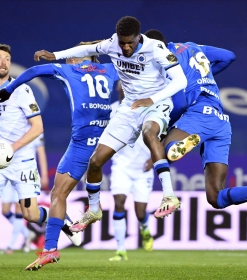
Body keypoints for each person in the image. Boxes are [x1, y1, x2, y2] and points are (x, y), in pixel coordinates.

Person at [30, 16, 187, 234]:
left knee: (149, 133)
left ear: (138, 37)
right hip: (129, 109)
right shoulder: (113, 43)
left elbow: (181, 81)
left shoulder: (157, 48)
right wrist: (54, 55)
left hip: (156, 103)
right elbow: (86, 49)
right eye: (122, 43)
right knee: (95, 162)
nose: (125, 47)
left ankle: (169, 195)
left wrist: (151, 100)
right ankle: (94, 209)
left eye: (130, 42)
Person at [0, 43, 120, 270]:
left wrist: (9, 89)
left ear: (79, 59)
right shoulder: (111, 69)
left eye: (72, 55)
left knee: (59, 194)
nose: (68, 59)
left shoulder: (71, 70)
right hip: (108, 140)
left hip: (82, 143)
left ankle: (50, 249)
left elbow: (34, 71)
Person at [0, 43, 76, 269]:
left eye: (7, 59)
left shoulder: (22, 90)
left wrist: (12, 147)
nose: (4, 62)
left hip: (22, 161)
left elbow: (38, 127)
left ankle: (59, 218)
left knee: (30, 214)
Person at [144, 29, 247, 213]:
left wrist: (165, 129)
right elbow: (228, 56)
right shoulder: (192, 47)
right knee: (216, 197)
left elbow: (181, 102)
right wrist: (204, 77)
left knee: (162, 150)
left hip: (199, 114)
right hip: (221, 121)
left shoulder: (167, 60)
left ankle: (175, 145)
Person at [109, 82, 154, 261]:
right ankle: (120, 250)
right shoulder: (111, 110)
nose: (125, 86)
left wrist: (154, 158)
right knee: (119, 202)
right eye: (122, 84)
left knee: (140, 212)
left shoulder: (147, 110)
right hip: (121, 164)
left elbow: (161, 136)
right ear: (118, 89)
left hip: (143, 167)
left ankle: (145, 228)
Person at [0, 133, 49, 254]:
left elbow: (41, 153)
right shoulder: (8, 125)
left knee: (18, 208)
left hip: (24, 173)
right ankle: (28, 234)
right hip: (7, 172)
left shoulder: (35, 128)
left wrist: (44, 174)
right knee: (5, 210)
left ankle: (11, 246)